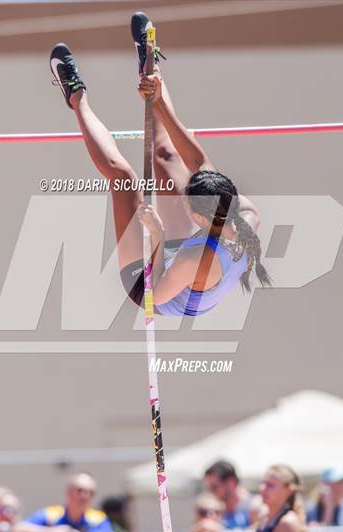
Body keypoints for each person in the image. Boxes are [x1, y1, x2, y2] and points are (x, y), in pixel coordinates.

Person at [49, 11, 270, 317]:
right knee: (166, 154)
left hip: (155, 287)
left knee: (123, 178)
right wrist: (159, 102)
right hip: (190, 259)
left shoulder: (194, 259)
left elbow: (154, 297)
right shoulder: (244, 212)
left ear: (197, 216)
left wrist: (157, 235)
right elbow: (197, 161)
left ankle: (75, 96)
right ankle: (151, 67)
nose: (180, 194)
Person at [215, 464, 325, 532]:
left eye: (270, 485)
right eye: (263, 483)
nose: (262, 488)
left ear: (289, 490)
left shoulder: (287, 522)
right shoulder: (265, 517)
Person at [17, 472, 112, 532]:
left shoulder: (97, 519)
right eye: (81, 490)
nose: (85, 496)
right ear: (69, 491)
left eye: (91, 493)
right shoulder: (51, 515)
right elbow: (19, 528)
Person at [204, 460, 252, 529]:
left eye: (214, 487)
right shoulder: (213, 512)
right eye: (209, 488)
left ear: (231, 482)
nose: (211, 492)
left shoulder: (253, 507)